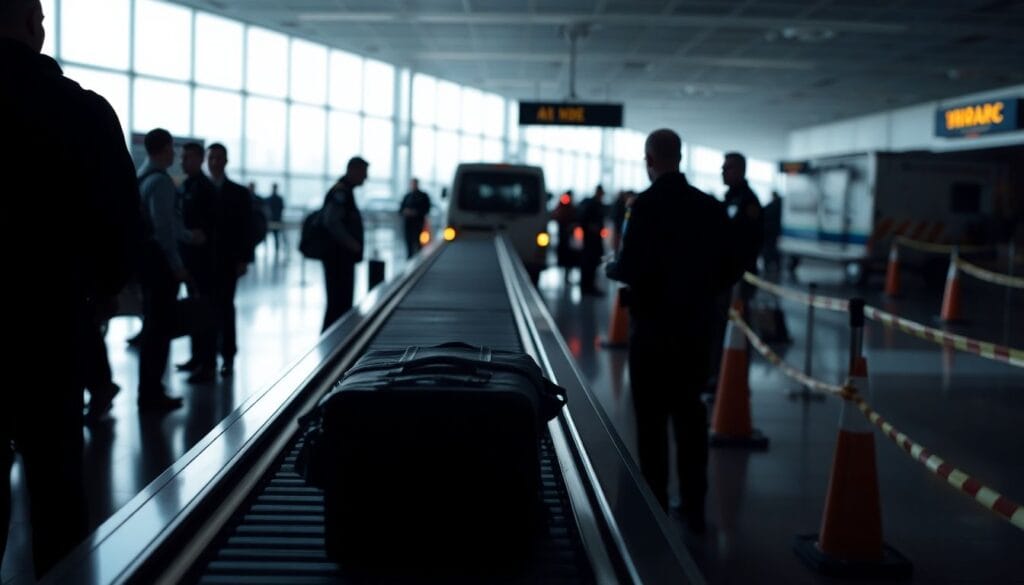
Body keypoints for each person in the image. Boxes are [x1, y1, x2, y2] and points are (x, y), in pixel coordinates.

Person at [1, 0, 145, 576]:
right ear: (35, 25)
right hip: (50, 317)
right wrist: (103, 290)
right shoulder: (81, 111)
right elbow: (120, 218)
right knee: (56, 476)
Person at [605, 129, 742, 533]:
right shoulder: (709, 207)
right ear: (679, 157)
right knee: (690, 415)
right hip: (694, 330)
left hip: (650, 330)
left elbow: (629, 267)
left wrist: (612, 267)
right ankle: (695, 504)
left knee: (650, 419)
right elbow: (732, 267)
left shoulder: (642, 207)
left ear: (649, 159)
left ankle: (655, 502)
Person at [137, 129, 195, 412]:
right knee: (159, 332)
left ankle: (149, 390)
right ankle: (151, 394)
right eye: (172, 148)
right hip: (161, 266)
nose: (175, 154)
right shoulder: (161, 182)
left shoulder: (141, 178)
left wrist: (186, 235)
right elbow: (164, 229)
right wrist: (177, 266)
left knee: (153, 328)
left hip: (147, 264)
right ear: (163, 149)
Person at [206, 143, 254, 376]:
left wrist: (244, 259)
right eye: (211, 158)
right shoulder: (198, 187)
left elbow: (246, 228)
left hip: (227, 260)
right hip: (202, 261)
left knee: (225, 307)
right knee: (205, 307)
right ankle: (204, 357)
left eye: (218, 158)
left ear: (226, 161)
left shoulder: (239, 193)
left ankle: (227, 355)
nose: (214, 162)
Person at [174, 142, 217, 383]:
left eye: (187, 158)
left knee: (205, 312)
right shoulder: (187, 185)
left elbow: (212, 226)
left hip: (203, 262)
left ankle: (207, 362)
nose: (182, 162)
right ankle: (196, 357)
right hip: (189, 260)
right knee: (194, 309)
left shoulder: (205, 188)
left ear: (199, 159)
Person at [320, 156, 367, 332]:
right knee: (338, 302)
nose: (365, 177)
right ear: (353, 170)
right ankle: (331, 344)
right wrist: (351, 244)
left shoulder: (346, 191)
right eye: (363, 172)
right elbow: (331, 221)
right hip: (338, 256)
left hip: (340, 256)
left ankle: (334, 342)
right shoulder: (341, 193)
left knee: (340, 302)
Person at [577, 184, 606, 296]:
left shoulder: (595, 204)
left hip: (594, 239)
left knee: (591, 264)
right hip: (590, 240)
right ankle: (586, 287)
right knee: (588, 263)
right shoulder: (592, 205)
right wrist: (591, 228)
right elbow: (584, 221)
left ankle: (588, 286)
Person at [399, 178, 431, 258]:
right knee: (408, 243)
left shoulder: (423, 196)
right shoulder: (407, 196)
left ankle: (419, 259)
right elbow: (400, 209)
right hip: (408, 224)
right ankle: (409, 259)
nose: (413, 185)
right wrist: (406, 212)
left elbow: (427, 209)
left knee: (419, 243)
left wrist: (416, 212)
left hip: (418, 224)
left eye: (414, 183)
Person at [551, 191, 578, 282]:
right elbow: (556, 216)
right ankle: (565, 274)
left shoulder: (571, 207)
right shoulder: (562, 206)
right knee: (564, 256)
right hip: (563, 237)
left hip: (569, 238)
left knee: (569, 257)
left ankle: (567, 274)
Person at [762, 190, 783, 274]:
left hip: (769, 231)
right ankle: (776, 265)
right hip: (775, 231)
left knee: (769, 249)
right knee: (773, 249)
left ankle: (768, 265)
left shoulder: (772, 205)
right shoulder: (780, 205)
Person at [267, 183, 286, 255]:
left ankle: (276, 250)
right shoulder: (278, 199)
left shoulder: (270, 199)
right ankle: (276, 250)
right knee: (276, 236)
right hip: (276, 219)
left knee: (276, 236)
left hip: (274, 219)